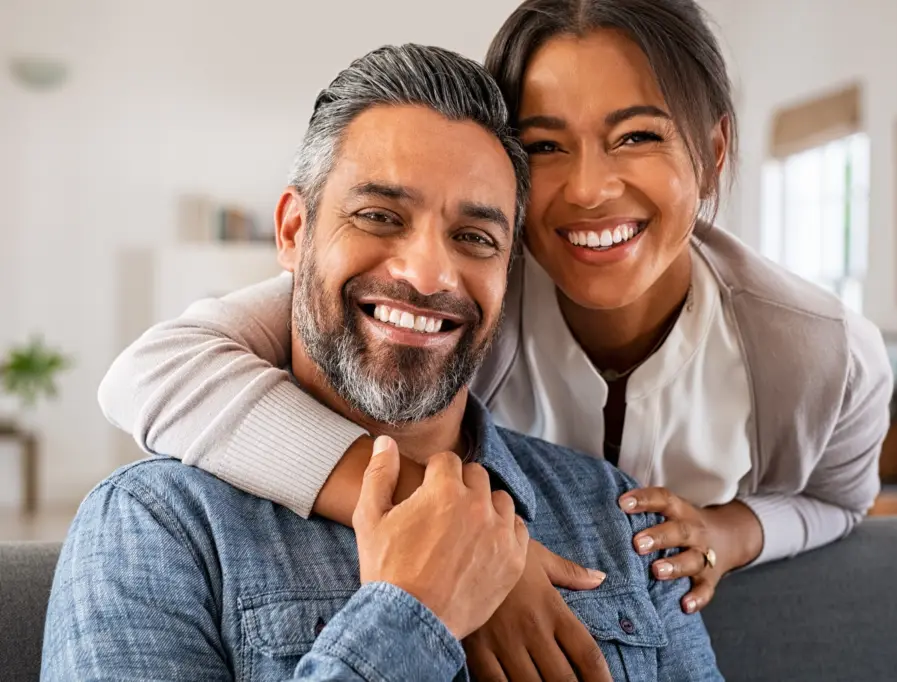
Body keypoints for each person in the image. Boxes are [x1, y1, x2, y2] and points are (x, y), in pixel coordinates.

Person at [98, 0, 892, 678]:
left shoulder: (805, 356)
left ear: (712, 153)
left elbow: (838, 500)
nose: (587, 189)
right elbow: (155, 371)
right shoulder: (163, 529)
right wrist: (449, 556)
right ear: (295, 231)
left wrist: (728, 531)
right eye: (546, 146)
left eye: (638, 136)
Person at [42, 44, 722, 682]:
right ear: (293, 231)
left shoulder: (614, 513)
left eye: (474, 237)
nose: (428, 274)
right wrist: (409, 614)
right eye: (379, 216)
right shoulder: (157, 526)